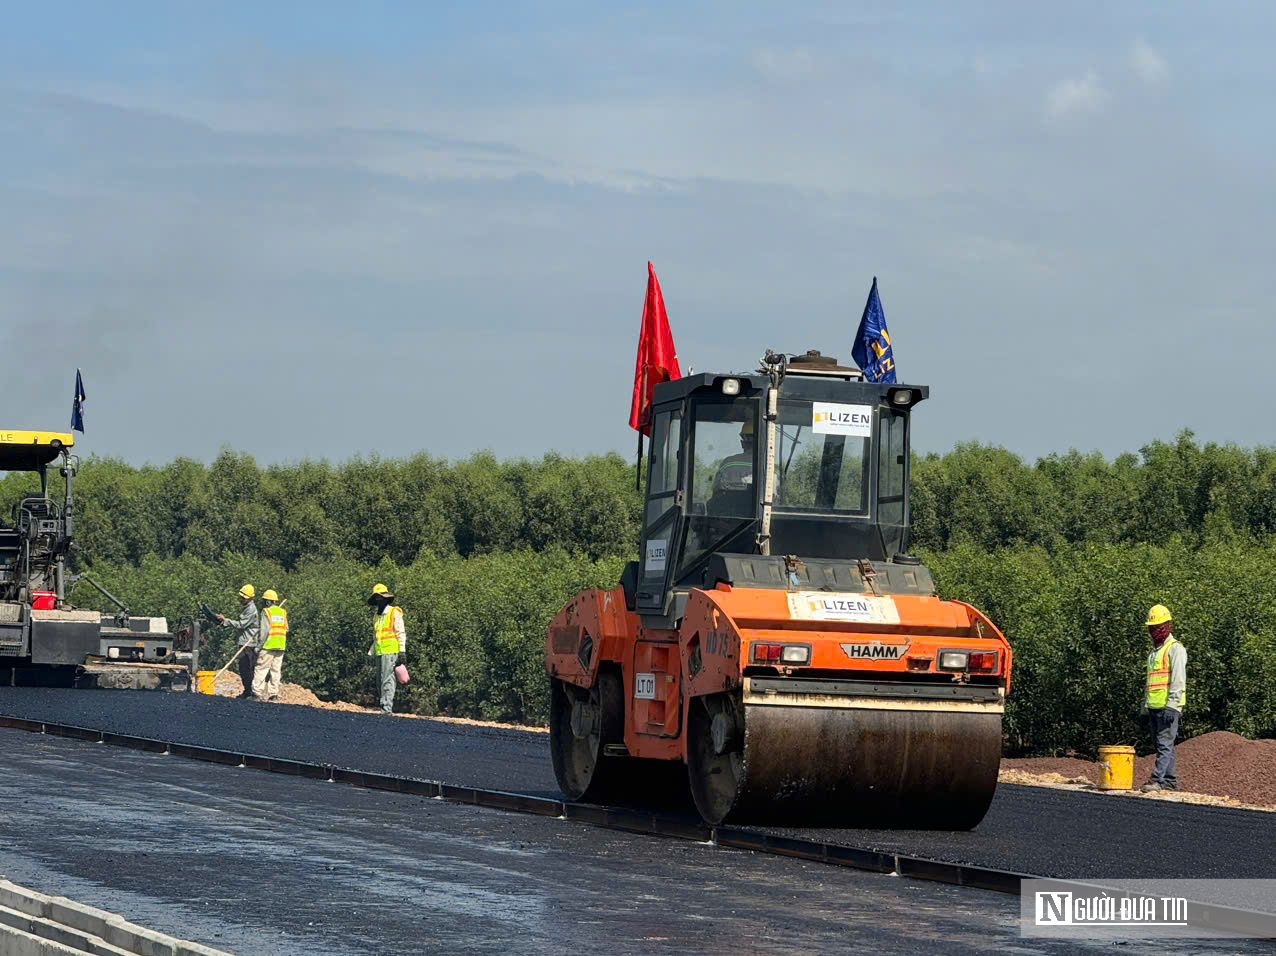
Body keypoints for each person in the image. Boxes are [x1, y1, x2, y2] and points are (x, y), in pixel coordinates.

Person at [1140, 604, 1187, 793]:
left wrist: (1173, 705)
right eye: (1152, 627)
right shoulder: (1154, 653)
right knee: (1164, 744)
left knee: (1165, 744)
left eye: (1158, 626)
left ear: (1167, 625)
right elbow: (1150, 681)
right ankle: (1169, 780)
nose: (1154, 631)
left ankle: (1157, 779)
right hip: (1154, 705)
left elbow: (1178, 679)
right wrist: (1144, 707)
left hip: (1168, 706)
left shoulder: (1175, 649)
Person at [367, 584, 405, 715]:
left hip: (391, 651)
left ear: (385, 598)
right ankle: (384, 707)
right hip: (380, 652)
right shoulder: (376, 616)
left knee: (387, 680)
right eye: (377, 598)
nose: (379, 600)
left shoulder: (394, 612)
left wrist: (402, 651)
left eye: (381, 597)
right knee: (380, 681)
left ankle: (386, 710)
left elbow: (400, 633)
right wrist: (371, 651)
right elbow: (376, 636)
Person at [218, 584, 261, 699]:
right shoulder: (246, 608)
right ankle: (247, 691)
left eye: (244, 597)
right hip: (244, 642)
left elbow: (241, 624)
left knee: (247, 667)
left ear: (250, 598)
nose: (241, 599)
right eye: (241, 597)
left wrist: (226, 621)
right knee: (243, 668)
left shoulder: (251, 609)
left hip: (249, 643)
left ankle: (250, 692)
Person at [708, 420, 756, 516]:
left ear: (742, 443)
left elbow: (716, 491)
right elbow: (774, 498)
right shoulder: (769, 468)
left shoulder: (728, 463)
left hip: (728, 522)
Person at [252, 589, 287, 702]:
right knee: (276, 670)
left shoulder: (266, 612)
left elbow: (265, 631)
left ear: (267, 602)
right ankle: (274, 695)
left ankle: (257, 693)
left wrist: (258, 646)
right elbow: (286, 628)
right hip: (281, 645)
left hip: (268, 645)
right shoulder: (283, 612)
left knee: (261, 668)